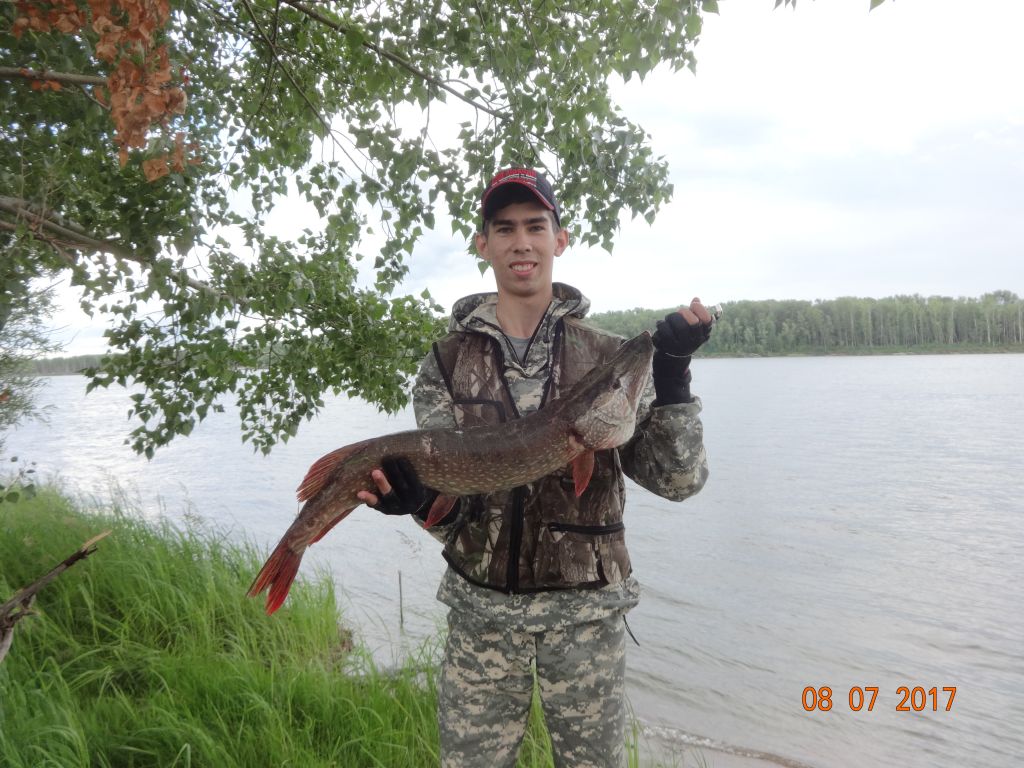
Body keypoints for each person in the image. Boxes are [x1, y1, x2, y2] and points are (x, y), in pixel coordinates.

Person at [356, 167, 712, 768]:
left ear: (559, 239)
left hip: (588, 620)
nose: (521, 242)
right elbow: (451, 511)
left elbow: (678, 482)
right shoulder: (446, 363)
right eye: (505, 228)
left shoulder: (605, 356)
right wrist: (416, 502)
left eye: (535, 226)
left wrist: (672, 376)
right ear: (483, 245)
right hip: (482, 620)